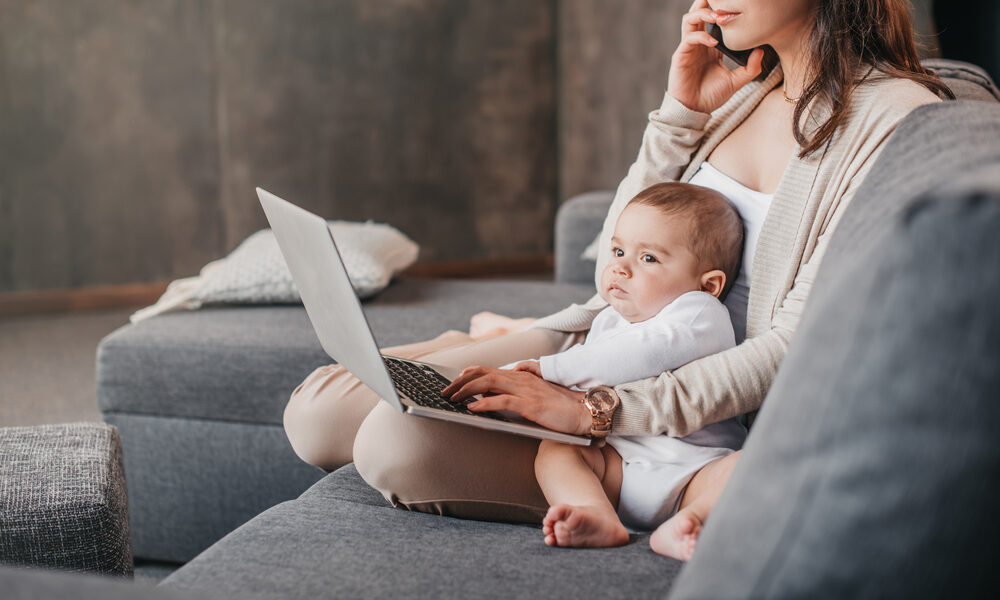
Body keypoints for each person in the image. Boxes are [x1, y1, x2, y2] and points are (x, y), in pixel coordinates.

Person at [284, 0, 952, 559]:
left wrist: (594, 410)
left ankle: (494, 352)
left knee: (392, 443)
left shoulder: (894, 118)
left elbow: (790, 349)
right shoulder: (747, 90)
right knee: (316, 416)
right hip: (598, 340)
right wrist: (680, 112)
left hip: (680, 416)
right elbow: (616, 254)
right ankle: (488, 340)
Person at [517, 180, 747, 551]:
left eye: (648, 258)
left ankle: (691, 519)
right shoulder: (611, 319)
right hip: (620, 466)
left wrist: (545, 369)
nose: (620, 268)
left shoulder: (700, 312)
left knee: (747, 465)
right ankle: (594, 512)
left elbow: (636, 356)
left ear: (708, 285)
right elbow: (585, 382)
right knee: (558, 450)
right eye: (618, 251)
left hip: (696, 470)